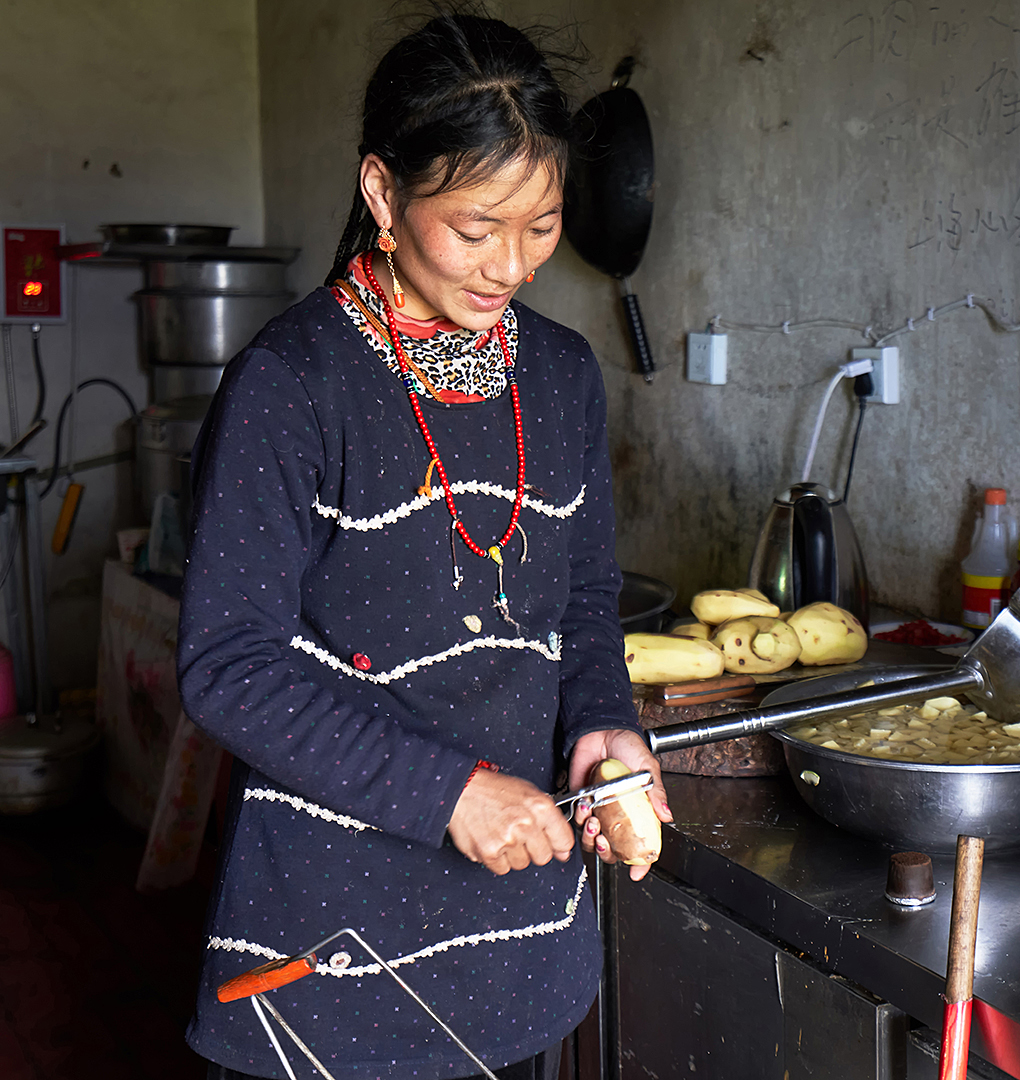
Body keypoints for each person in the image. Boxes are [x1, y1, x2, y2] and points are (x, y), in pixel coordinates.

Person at [177, 13, 669, 1079]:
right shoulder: (294, 386)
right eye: (476, 226)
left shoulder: (561, 376)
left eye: (540, 227)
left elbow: (584, 604)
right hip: (333, 963)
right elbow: (228, 665)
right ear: (383, 194)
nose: (513, 266)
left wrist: (605, 727)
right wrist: (449, 794)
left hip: (522, 947)